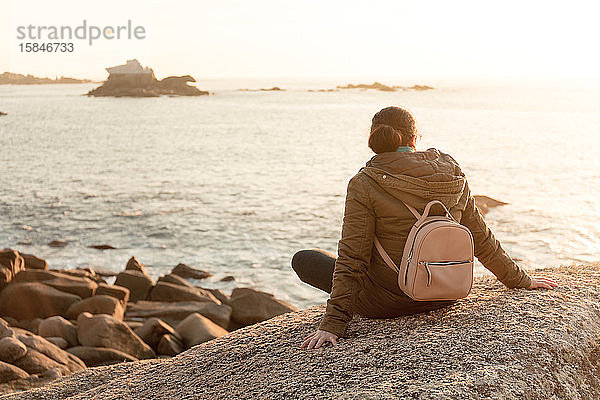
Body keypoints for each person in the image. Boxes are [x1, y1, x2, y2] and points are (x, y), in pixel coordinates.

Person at [291, 106, 558, 350]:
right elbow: (481, 239)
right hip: (447, 293)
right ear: (414, 137)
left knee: (306, 259)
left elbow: (354, 257)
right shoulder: (452, 174)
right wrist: (520, 280)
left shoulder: (365, 182)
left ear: (375, 137)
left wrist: (332, 324)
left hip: (391, 301)